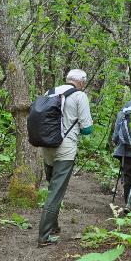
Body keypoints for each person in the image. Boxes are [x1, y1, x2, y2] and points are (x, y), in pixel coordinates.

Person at [37, 69, 94, 247]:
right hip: (66, 149)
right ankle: (44, 236)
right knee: (56, 192)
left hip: (46, 147)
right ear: (82, 82)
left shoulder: (50, 92)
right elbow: (87, 129)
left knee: (52, 187)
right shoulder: (80, 96)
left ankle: (53, 227)